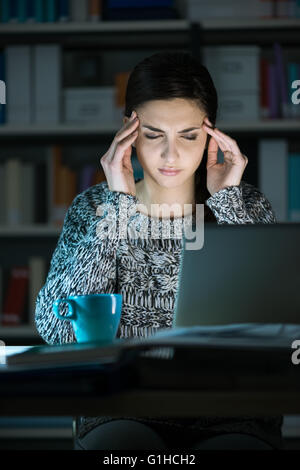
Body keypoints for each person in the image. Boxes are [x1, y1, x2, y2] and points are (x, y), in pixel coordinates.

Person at [35, 51, 284, 450]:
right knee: (121, 445)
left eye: (188, 136)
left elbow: (280, 322)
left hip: (232, 409)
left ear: (212, 135)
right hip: (122, 406)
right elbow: (59, 329)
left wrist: (229, 202)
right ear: (128, 131)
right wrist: (117, 208)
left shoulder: (246, 206)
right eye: (153, 135)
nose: (171, 156)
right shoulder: (94, 207)